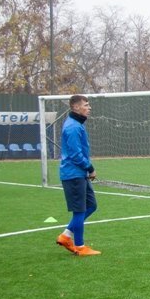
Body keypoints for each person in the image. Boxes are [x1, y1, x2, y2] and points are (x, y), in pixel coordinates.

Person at [56, 94, 101, 256]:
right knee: (80, 210)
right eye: (86, 105)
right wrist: (90, 168)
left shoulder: (76, 124)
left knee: (91, 206)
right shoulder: (73, 127)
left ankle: (66, 236)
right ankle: (80, 247)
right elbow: (75, 154)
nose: (89, 108)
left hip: (79, 173)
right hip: (73, 174)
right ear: (76, 107)